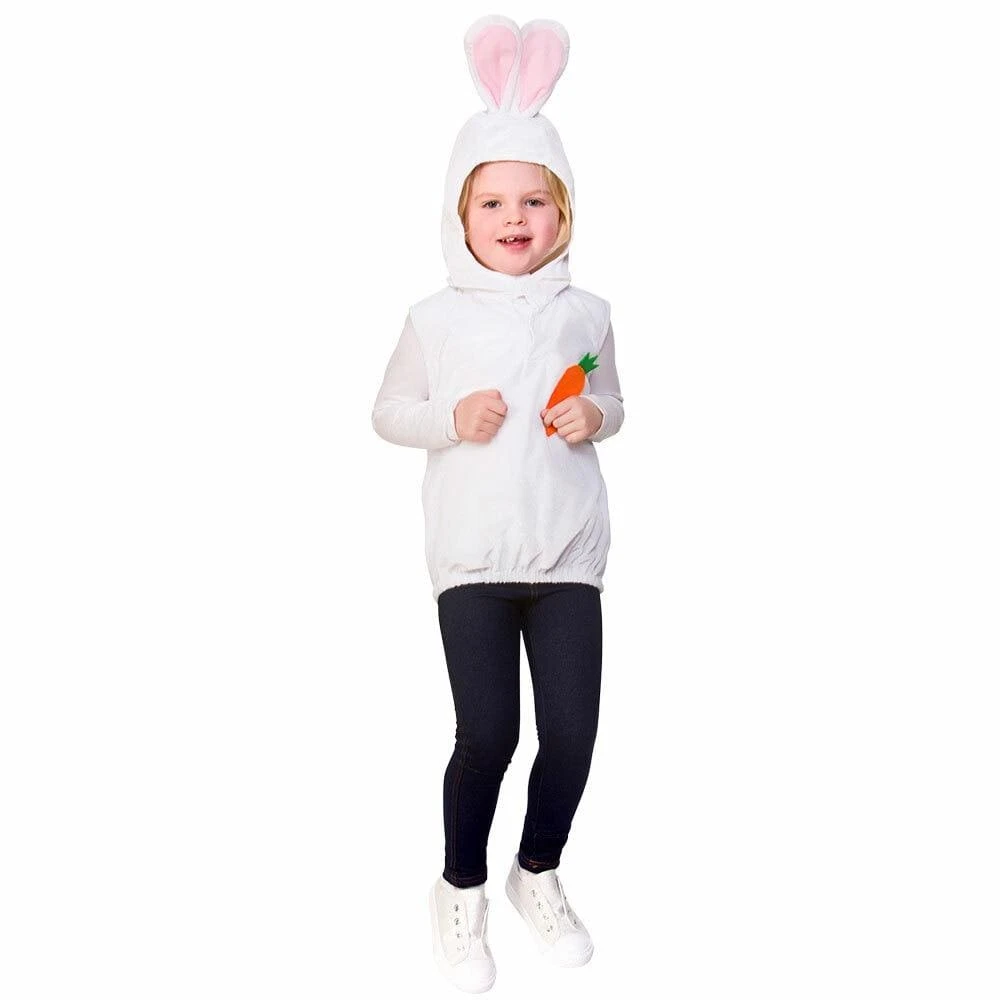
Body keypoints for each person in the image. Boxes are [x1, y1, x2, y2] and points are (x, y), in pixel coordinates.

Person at [371, 15, 624, 993]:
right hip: (474, 560)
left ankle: (536, 870)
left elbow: (612, 400)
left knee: (571, 737)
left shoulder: (587, 313)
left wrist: (593, 413)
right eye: (491, 202)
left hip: (566, 559)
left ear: (562, 212)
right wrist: (449, 417)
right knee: (489, 735)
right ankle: (461, 887)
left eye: (533, 200)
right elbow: (388, 412)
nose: (514, 218)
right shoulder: (433, 319)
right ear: (459, 214)